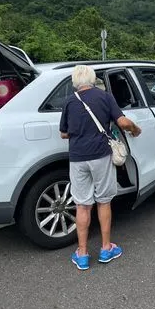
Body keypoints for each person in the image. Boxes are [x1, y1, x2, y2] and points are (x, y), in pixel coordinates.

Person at [59, 64, 141, 270]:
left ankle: (83, 254)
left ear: (75, 82)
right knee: (104, 202)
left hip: (78, 158)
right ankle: (106, 249)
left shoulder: (69, 101)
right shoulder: (104, 97)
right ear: (93, 79)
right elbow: (122, 122)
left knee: (82, 205)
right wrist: (135, 128)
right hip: (100, 156)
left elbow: (64, 133)